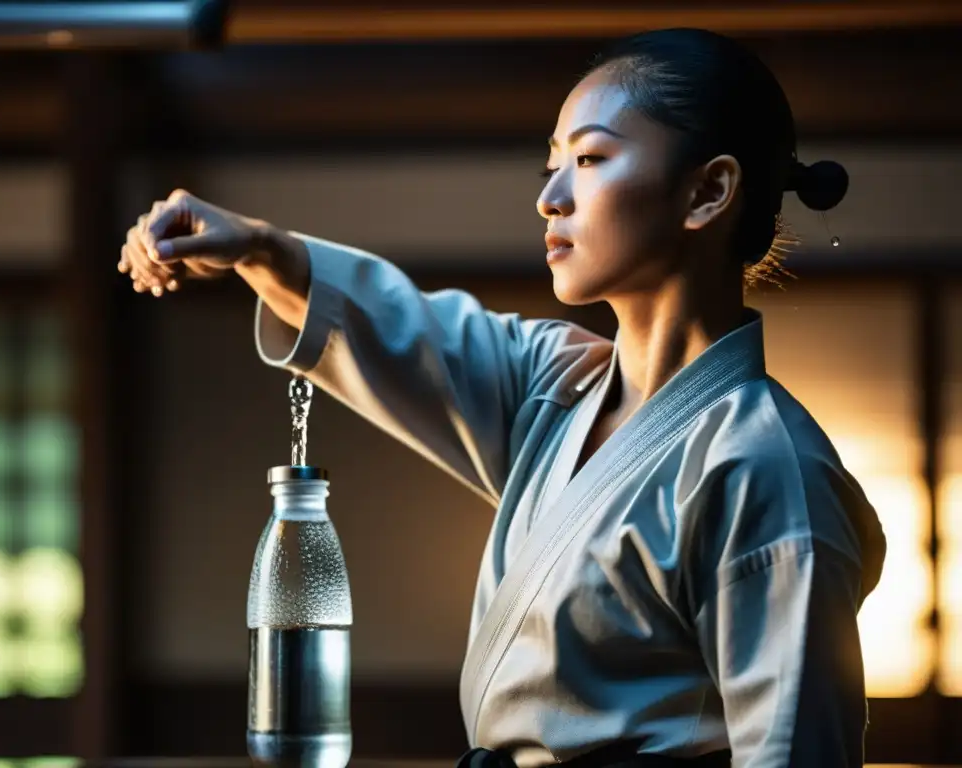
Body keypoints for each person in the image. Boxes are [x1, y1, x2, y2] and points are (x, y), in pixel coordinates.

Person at [119, 28, 886, 768]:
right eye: (549, 165)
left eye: (589, 158)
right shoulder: (558, 389)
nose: (551, 197)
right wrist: (256, 246)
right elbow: (412, 333)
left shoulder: (761, 467)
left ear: (708, 191)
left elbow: (795, 751)